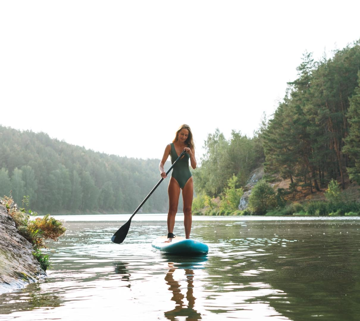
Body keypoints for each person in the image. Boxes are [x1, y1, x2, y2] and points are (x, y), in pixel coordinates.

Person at [159, 124, 197, 241]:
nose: (184, 137)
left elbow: (194, 166)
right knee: (173, 208)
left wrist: (190, 153)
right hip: (175, 178)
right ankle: (170, 236)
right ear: (178, 133)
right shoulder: (169, 147)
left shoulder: (190, 147)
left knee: (187, 209)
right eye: (182, 134)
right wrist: (162, 172)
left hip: (188, 179)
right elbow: (161, 164)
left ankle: (187, 238)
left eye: (186, 135)